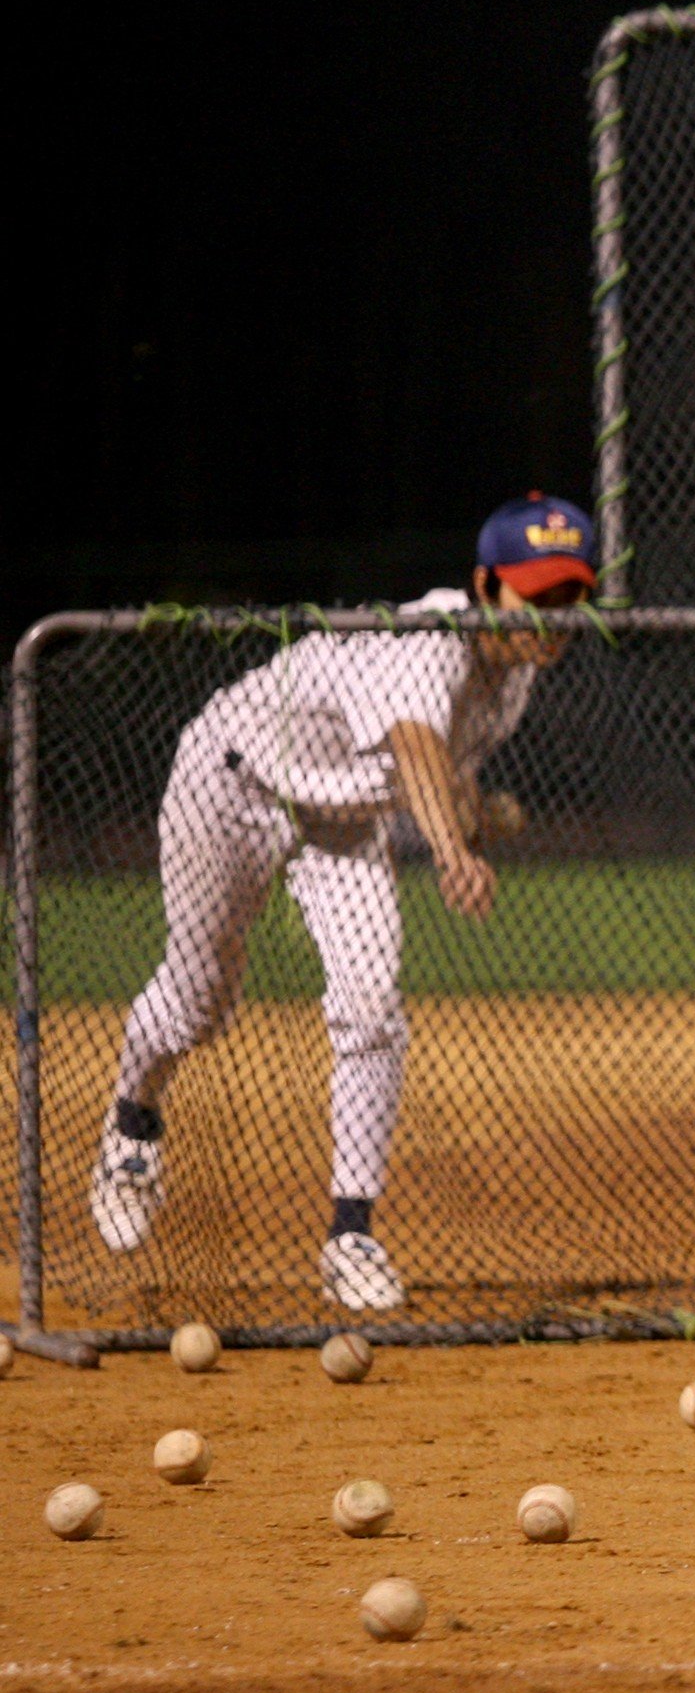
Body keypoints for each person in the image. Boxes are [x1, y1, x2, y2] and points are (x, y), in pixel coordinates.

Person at [89, 494, 599, 1312]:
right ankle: (133, 1123)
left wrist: (466, 808)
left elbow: (445, 763)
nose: (552, 618)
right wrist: (451, 846)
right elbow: (414, 742)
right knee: (200, 1003)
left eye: (569, 597)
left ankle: (351, 1233)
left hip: (345, 823)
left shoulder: (514, 681)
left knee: (371, 1007)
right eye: (534, 595)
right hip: (234, 784)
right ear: (483, 583)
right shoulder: (432, 640)